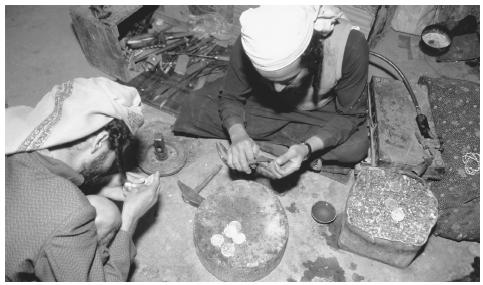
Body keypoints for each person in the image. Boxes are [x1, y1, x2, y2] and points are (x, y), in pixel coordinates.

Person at [173, 5, 370, 179]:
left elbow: (351, 115)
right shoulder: (252, 42)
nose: (278, 89)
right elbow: (232, 97)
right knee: (194, 106)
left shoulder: (349, 46)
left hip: (321, 110)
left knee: (357, 145)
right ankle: (275, 146)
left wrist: (307, 148)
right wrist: (238, 135)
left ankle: (284, 148)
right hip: (264, 105)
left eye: (288, 80)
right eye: (269, 79)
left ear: (313, 56)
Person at [5, 77, 160, 281]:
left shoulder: (12, 128)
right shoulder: (68, 215)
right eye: (117, 155)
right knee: (108, 216)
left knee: (103, 211)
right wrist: (130, 218)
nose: (116, 163)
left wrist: (100, 185)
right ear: (100, 142)